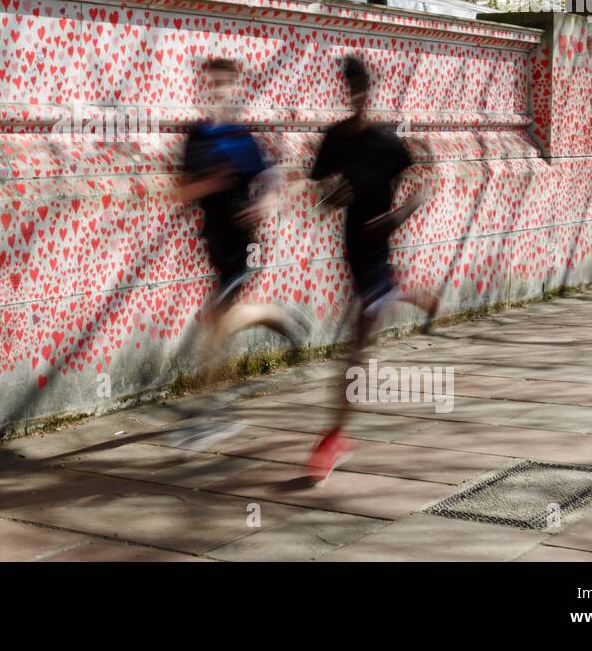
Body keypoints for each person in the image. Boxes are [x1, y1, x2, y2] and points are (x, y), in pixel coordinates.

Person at [305, 55, 439, 483]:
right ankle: (408, 294)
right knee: (368, 319)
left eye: (363, 88)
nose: (358, 96)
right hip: (353, 249)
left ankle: (334, 436)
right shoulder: (335, 139)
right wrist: (334, 198)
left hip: (377, 249)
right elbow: (320, 199)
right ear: (346, 91)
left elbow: (422, 188)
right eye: (352, 88)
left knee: (358, 344)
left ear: (370, 90)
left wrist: (395, 217)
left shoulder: (387, 143)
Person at [176, 57, 304, 381]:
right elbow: (180, 191)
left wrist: (264, 204)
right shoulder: (196, 137)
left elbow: (274, 179)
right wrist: (208, 184)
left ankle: (206, 411)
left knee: (218, 319)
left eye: (223, 84)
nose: (217, 91)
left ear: (234, 88)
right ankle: (273, 314)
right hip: (214, 241)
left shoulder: (241, 138)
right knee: (221, 318)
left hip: (244, 245)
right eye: (212, 84)